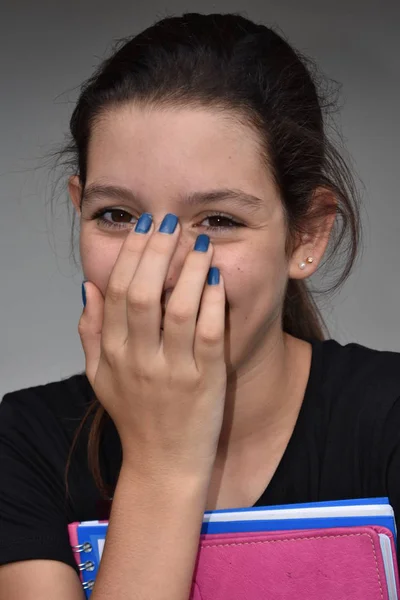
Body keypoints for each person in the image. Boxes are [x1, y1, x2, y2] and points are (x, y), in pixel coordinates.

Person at [0, 11, 399, 600]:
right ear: (77, 207)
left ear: (306, 234)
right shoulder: (23, 442)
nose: (159, 269)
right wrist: (163, 464)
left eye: (218, 220)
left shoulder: (387, 418)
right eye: (116, 215)